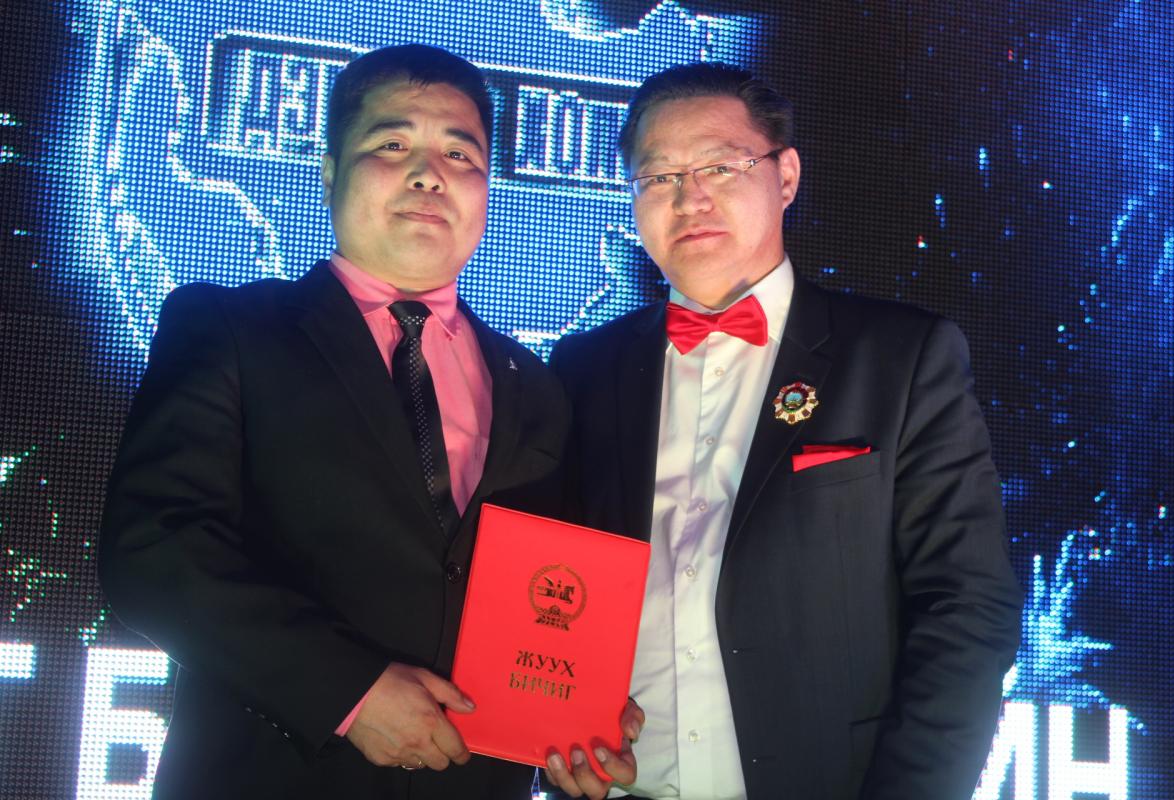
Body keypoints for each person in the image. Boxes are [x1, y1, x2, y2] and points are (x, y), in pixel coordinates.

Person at [100, 44, 634, 800]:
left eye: (460, 153)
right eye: (392, 144)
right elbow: (154, 549)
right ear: (329, 173)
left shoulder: (538, 384)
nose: (429, 174)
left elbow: (553, 594)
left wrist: (585, 706)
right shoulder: (230, 329)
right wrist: (349, 694)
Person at [550, 62, 1023, 800]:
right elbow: (553, 588)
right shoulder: (583, 367)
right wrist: (554, 725)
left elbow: (967, 606)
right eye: (659, 176)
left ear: (787, 176)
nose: (690, 197)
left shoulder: (899, 358)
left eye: (720, 166)